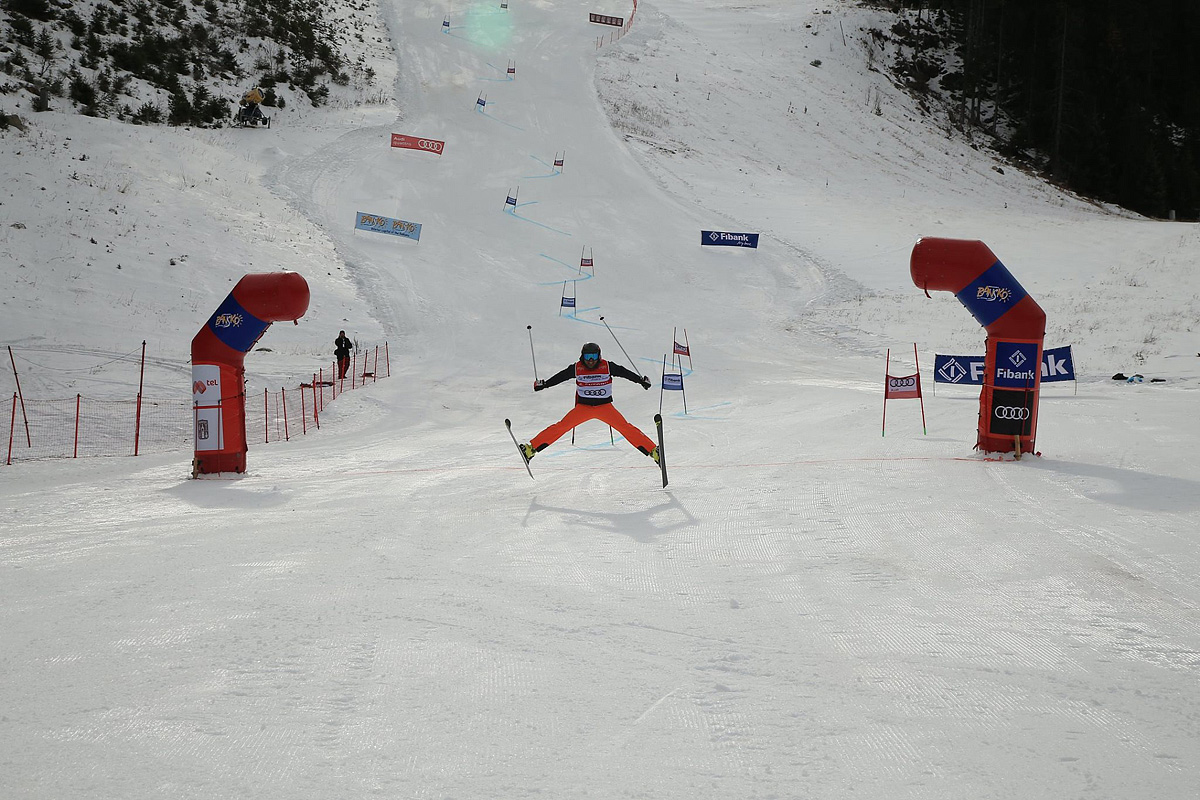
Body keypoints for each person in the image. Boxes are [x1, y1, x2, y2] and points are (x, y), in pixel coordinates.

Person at [520, 342, 659, 463]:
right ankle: (530, 450)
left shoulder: (608, 366)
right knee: (562, 426)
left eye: (593, 356)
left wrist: (640, 380)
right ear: (582, 356)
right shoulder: (577, 368)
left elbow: (624, 373)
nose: (591, 360)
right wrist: (545, 384)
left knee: (625, 427)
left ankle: (654, 452)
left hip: (605, 407)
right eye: (587, 357)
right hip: (583, 408)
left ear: (599, 356)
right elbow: (561, 377)